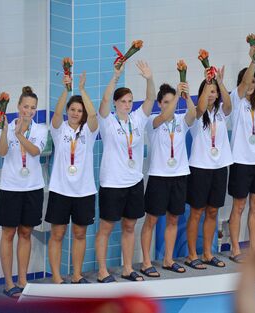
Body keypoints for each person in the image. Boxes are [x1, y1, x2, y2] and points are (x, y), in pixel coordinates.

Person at [95, 61, 155, 282]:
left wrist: (149, 78)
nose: (127, 105)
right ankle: (102, 271)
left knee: (130, 225)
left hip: (134, 181)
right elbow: (102, 101)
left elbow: (150, 99)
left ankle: (128, 268)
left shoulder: (138, 119)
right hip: (112, 183)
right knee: (106, 227)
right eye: (123, 101)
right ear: (116, 103)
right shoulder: (107, 121)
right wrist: (115, 77)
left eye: (130, 101)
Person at [45, 72, 99, 284]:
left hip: (84, 191)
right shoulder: (59, 130)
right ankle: (57, 277)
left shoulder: (89, 131)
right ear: (68, 111)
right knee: (57, 235)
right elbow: (56, 115)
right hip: (60, 190)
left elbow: (94, 117)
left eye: (79, 110)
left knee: (79, 234)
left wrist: (83, 90)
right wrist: (66, 90)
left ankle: (77, 275)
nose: (76, 113)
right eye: (73, 109)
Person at [139, 82, 196, 277]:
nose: (169, 105)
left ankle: (168, 259)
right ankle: (146, 262)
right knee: (151, 220)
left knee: (173, 219)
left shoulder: (180, 121)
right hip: (159, 177)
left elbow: (193, 115)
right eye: (166, 102)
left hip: (179, 176)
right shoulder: (154, 120)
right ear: (160, 104)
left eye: (172, 101)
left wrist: (187, 96)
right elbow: (164, 116)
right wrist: (177, 98)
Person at [0, 86, 48, 297]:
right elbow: (2, 152)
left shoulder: (40, 129)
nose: (28, 111)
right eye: (25, 107)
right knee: (8, 233)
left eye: (33, 108)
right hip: (10, 187)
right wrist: (8, 131)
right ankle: (9, 282)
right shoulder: (6, 127)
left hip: (32, 188)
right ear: (18, 107)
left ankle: (23, 279)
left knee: (25, 233)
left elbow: (35, 152)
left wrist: (19, 134)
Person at [185, 67, 232, 270]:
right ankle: (192, 254)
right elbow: (201, 108)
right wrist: (206, 84)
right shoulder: (197, 113)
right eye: (208, 90)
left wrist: (219, 82)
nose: (211, 94)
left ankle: (207, 253)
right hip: (200, 167)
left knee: (213, 211)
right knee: (197, 212)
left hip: (220, 167)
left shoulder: (222, 113)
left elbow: (229, 104)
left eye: (214, 91)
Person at [228, 42, 255, 263]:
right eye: (248, 81)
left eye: (254, 81)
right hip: (241, 161)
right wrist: (253, 60)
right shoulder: (236, 100)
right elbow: (247, 81)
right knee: (239, 205)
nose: (252, 84)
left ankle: (254, 247)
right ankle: (235, 248)